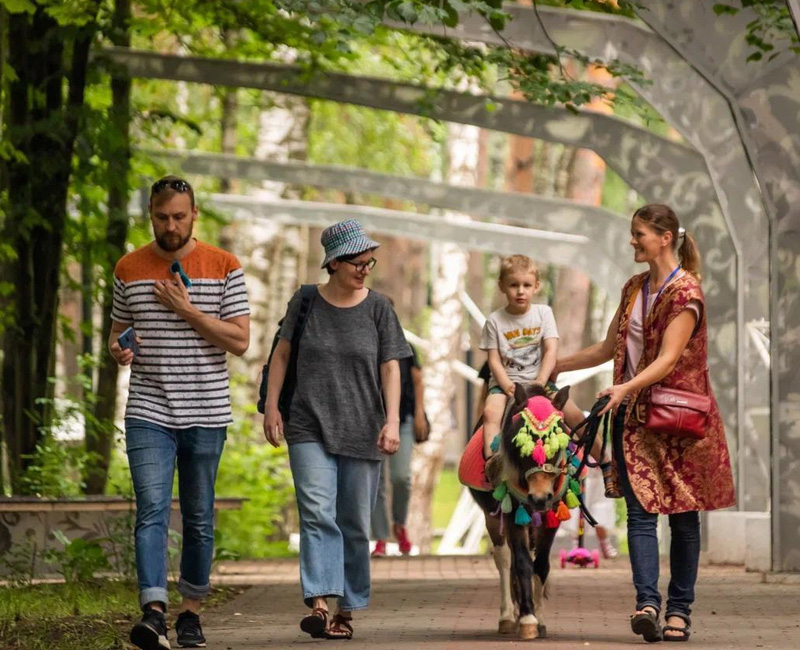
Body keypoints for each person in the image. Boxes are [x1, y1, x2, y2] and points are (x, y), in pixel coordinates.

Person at [553, 204, 736, 643]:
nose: (632, 241)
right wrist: (555, 366)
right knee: (638, 514)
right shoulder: (634, 287)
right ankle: (647, 604)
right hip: (634, 421)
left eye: (639, 234)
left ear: (665, 237)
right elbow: (605, 348)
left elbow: (669, 358)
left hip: (677, 422)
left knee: (683, 518)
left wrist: (623, 388)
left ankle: (679, 611)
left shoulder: (686, 291)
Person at [109, 176, 251, 650]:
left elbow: (239, 340)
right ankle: (153, 612)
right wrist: (119, 349)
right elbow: (117, 332)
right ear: (150, 214)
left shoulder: (225, 266)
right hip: (148, 409)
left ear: (194, 215)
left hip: (206, 411)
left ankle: (191, 613)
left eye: (179, 216)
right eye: (161, 217)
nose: (170, 226)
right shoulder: (128, 267)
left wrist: (187, 311)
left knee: (198, 516)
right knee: (150, 509)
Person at [263, 219, 410, 641]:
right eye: (357, 262)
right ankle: (320, 603)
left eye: (369, 262)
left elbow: (391, 367)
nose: (365, 269)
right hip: (308, 422)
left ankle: (348, 605)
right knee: (316, 512)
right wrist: (272, 406)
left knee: (354, 522)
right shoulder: (306, 302)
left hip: (363, 427)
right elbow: (282, 354)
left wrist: (391, 421)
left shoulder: (380, 307)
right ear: (333, 263)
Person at [371, 337, 428, 557]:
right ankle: (381, 537)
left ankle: (399, 524)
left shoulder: (405, 346)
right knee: (376, 483)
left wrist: (419, 413)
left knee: (401, 477)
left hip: (403, 419)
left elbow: (418, 380)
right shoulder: (363, 340)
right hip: (371, 422)